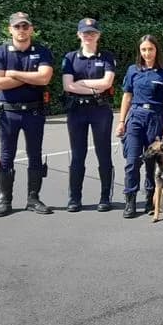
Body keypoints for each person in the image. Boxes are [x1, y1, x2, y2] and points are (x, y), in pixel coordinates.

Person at [0, 12, 54, 217]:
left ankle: (33, 199)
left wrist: (13, 74)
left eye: (25, 26)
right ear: (10, 30)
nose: (22, 30)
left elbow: (44, 79)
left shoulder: (42, 51)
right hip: (9, 112)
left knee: (35, 154)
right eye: (17, 27)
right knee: (7, 156)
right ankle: (4, 200)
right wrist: (30, 78)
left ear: (31, 29)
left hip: (34, 111)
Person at [115, 35, 163, 218]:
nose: (147, 53)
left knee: (152, 162)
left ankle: (151, 199)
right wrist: (121, 122)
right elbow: (127, 97)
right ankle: (130, 200)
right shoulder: (133, 70)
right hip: (135, 117)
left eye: (150, 49)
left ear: (156, 50)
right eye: (143, 50)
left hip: (156, 118)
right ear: (139, 52)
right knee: (132, 161)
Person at [61, 18, 116, 213]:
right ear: (79, 35)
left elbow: (107, 83)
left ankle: (105, 197)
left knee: (103, 154)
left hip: (100, 110)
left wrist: (81, 84)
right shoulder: (70, 58)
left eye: (92, 32)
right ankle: (74, 198)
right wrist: (94, 88)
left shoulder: (107, 56)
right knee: (78, 155)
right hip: (77, 111)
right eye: (85, 33)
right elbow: (67, 85)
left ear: (98, 35)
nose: (88, 36)